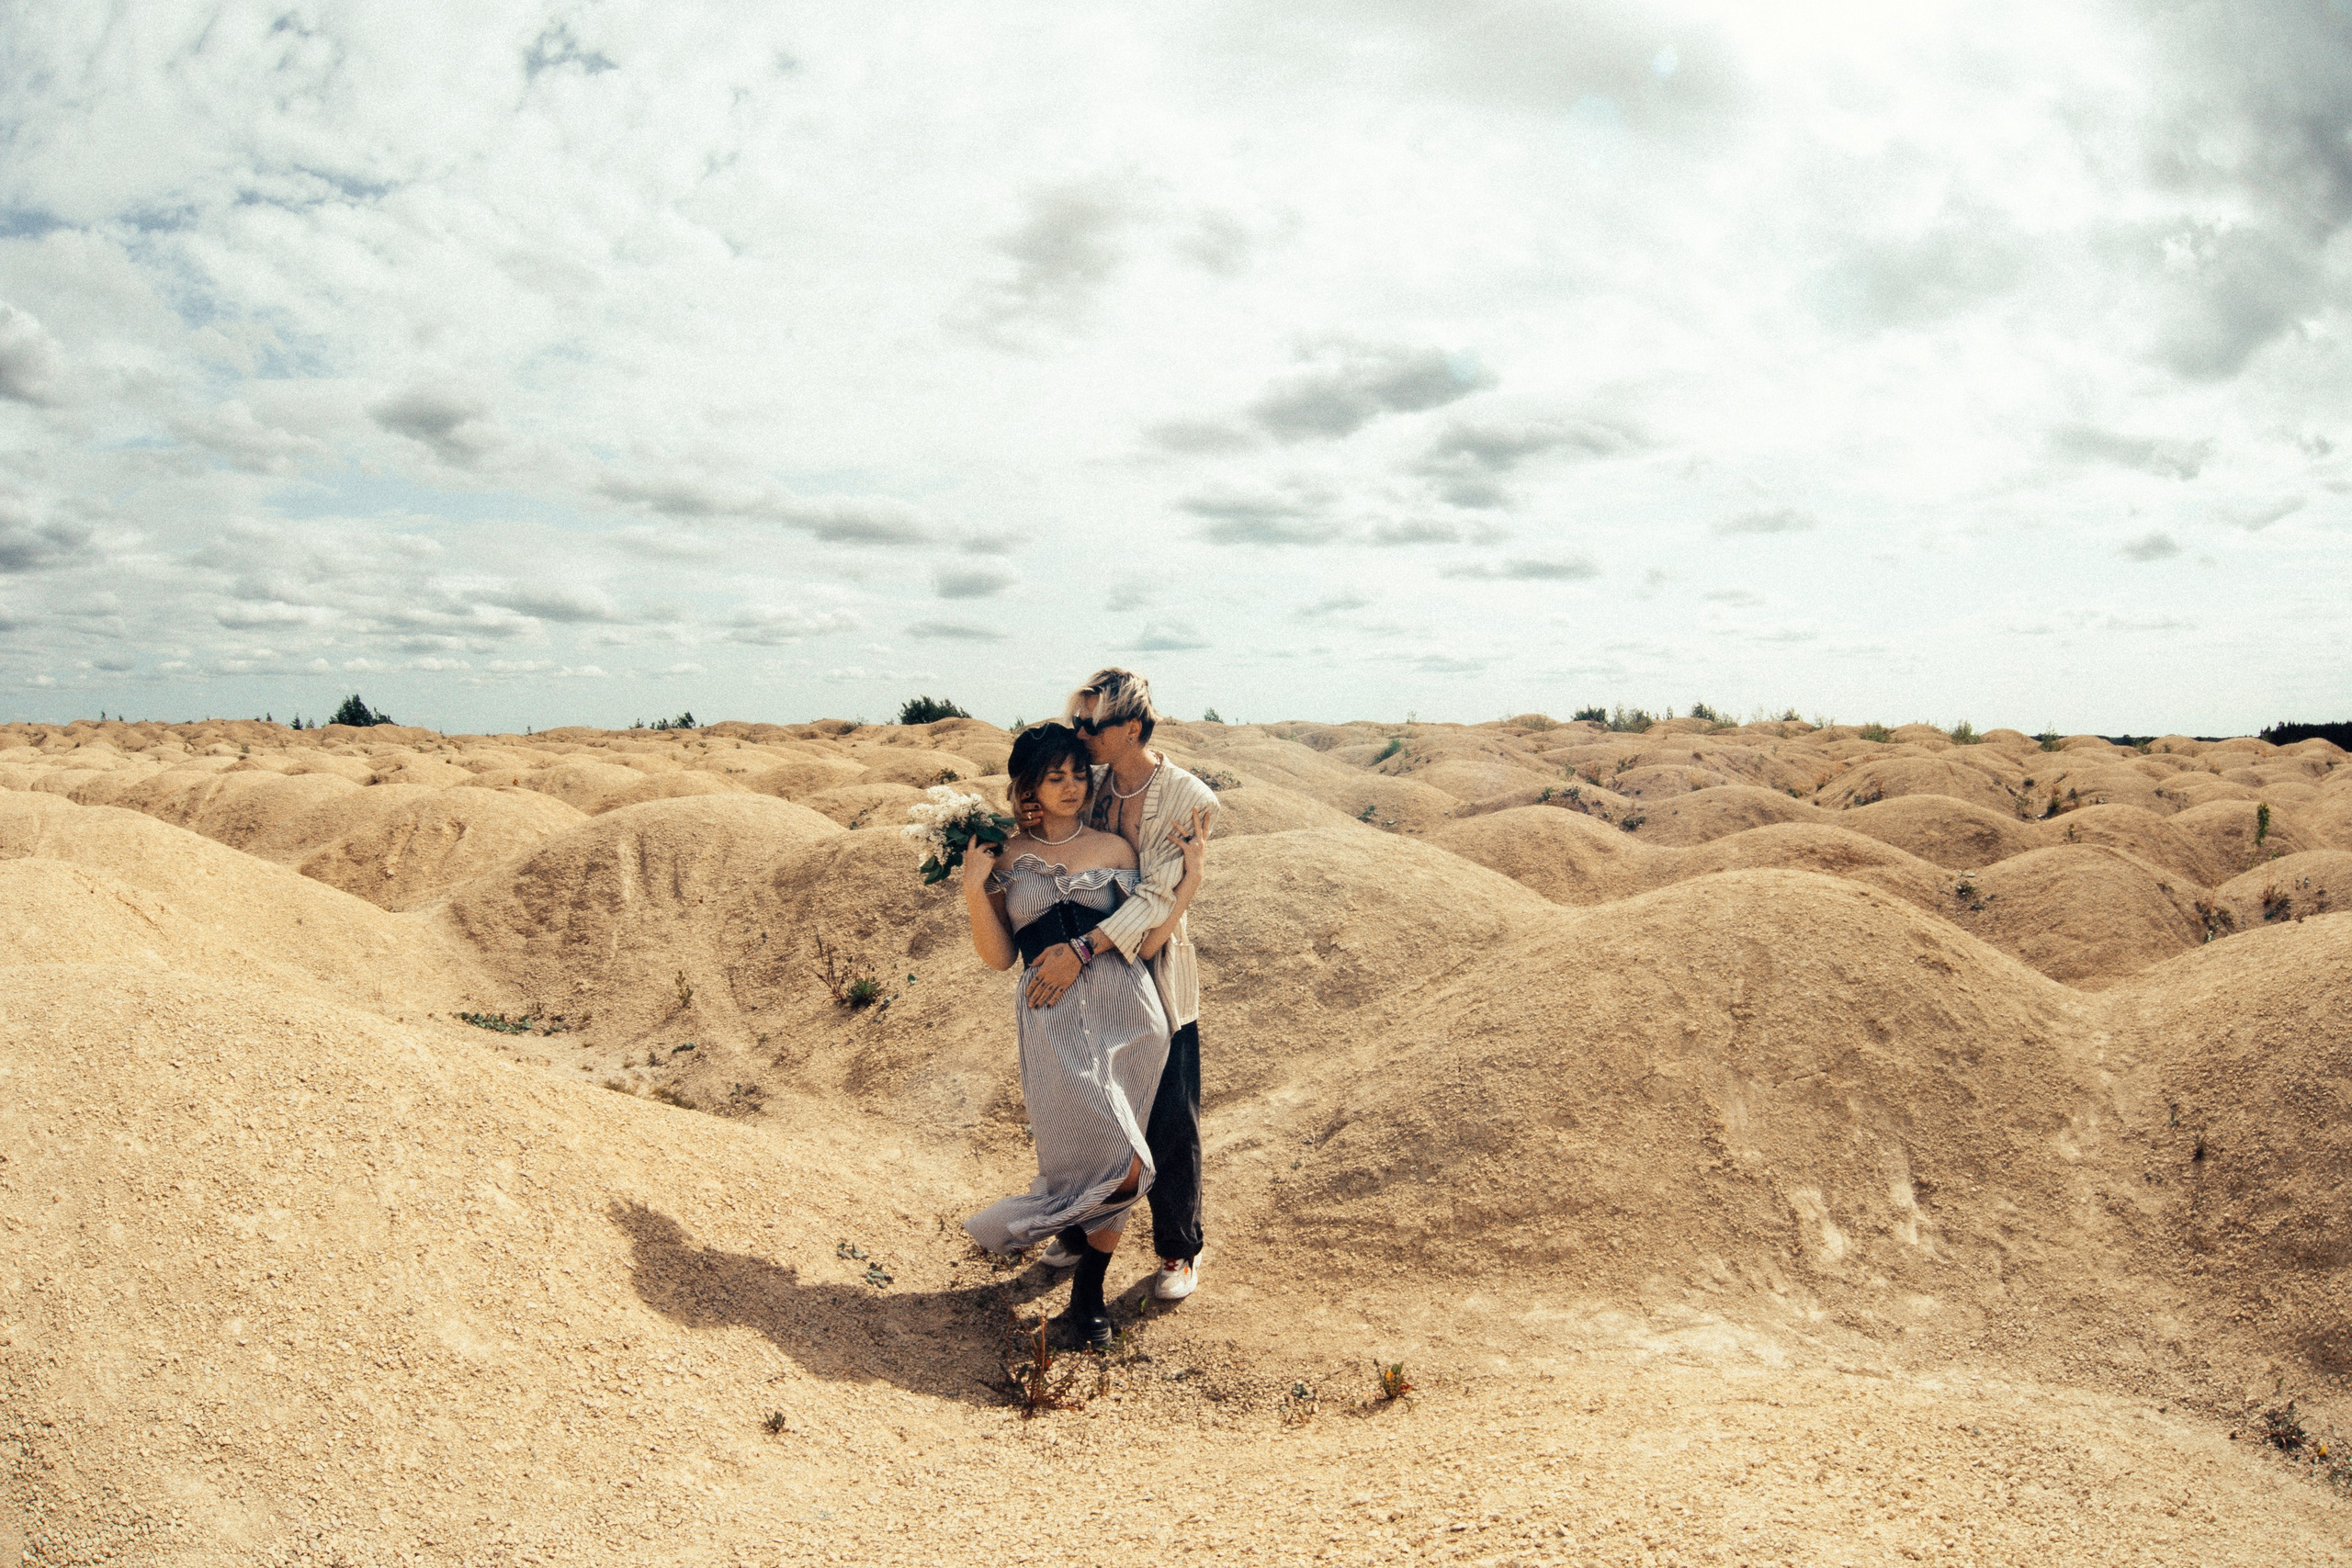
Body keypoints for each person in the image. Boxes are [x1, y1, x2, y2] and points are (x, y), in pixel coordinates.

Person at [962, 721, 1205, 1347]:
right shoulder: (1006, 857)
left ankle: (1087, 1296)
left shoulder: (1115, 851)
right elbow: (997, 958)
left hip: (1130, 1018)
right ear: (1028, 789)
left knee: (1124, 1160)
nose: (1072, 785)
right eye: (1055, 776)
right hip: (1054, 1023)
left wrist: (1190, 881)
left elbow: (1146, 936)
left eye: (1078, 772)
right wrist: (972, 888)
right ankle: (1040, 1223)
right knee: (1106, 1160)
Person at [1022, 668, 1219, 1303]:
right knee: (1091, 1104)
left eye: (1091, 724)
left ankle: (1178, 1248)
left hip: (1157, 973)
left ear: (1130, 727)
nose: (1080, 735)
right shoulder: (1096, 783)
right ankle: (1081, 1228)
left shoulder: (1190, 796)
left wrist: (1081, 948)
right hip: (1098, 982)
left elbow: (1159, 897)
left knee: (1167, 1112)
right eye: (1077, 722)